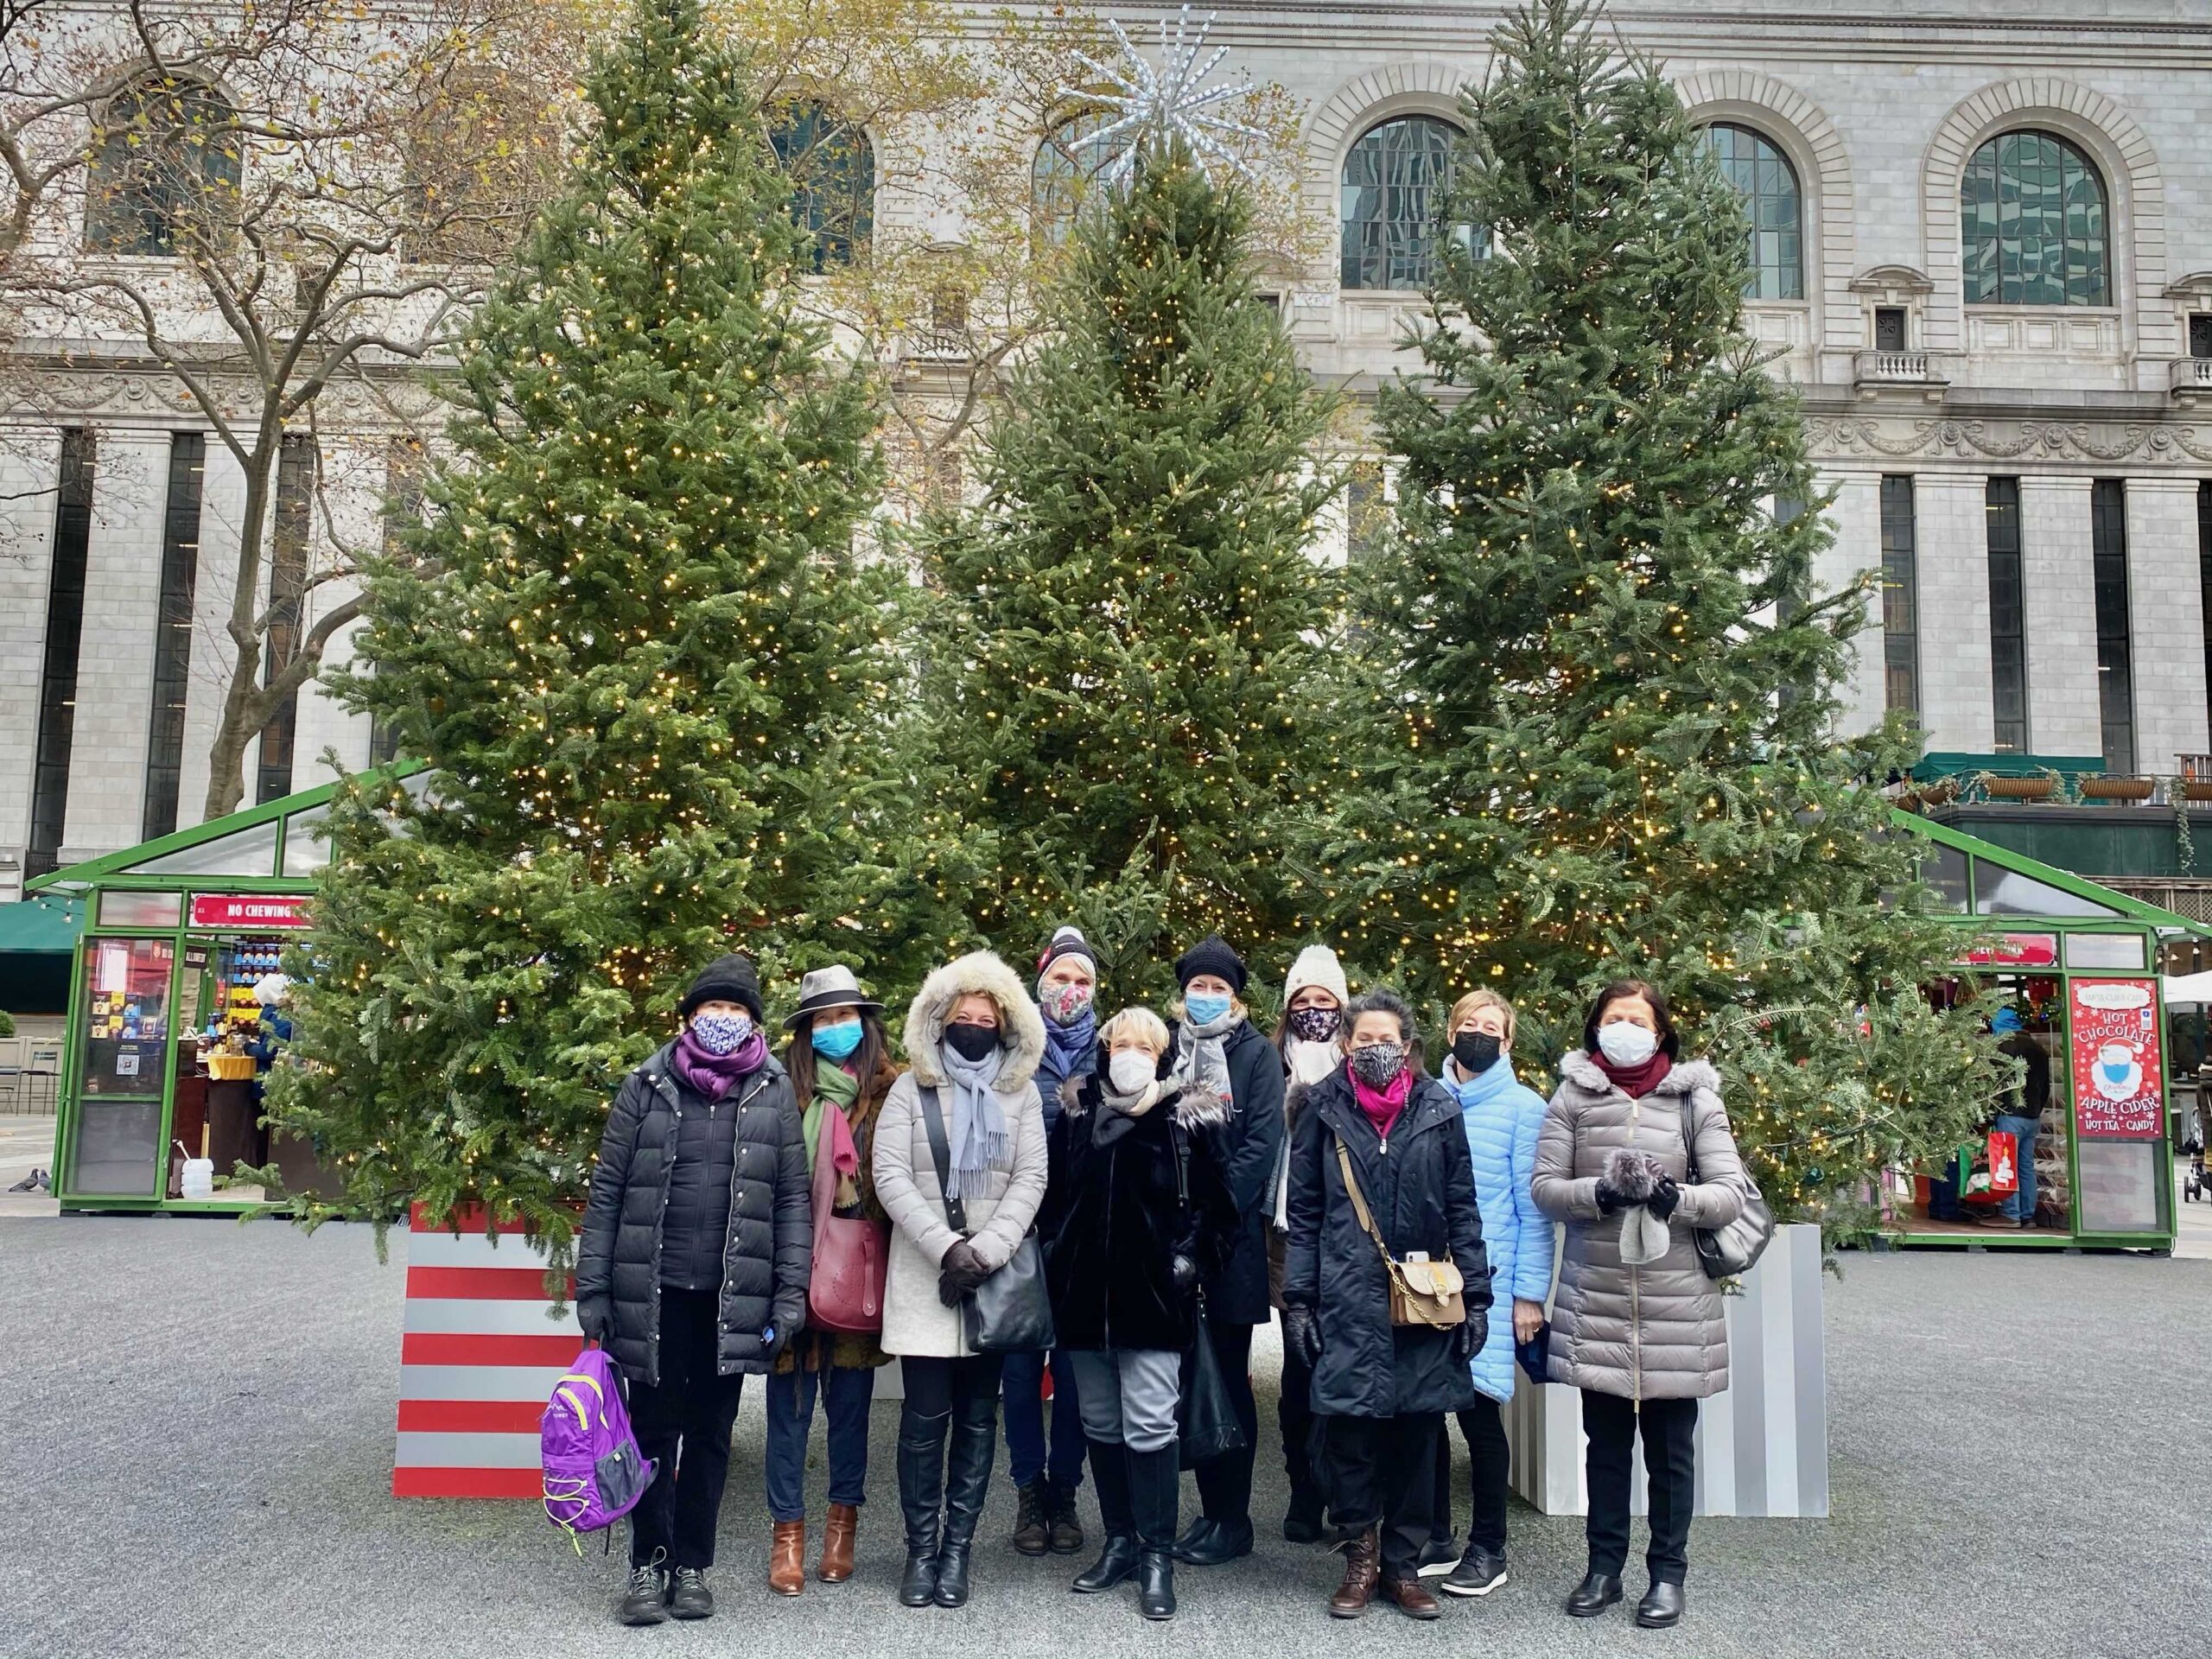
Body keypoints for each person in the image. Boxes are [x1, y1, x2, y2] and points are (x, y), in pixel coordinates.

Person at [576, 953, 810, 1626]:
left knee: (710, 1434)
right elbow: (608, 1191)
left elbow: (791, 1200)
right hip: (652, 1296)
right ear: (689, 1016)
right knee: (652, 1432)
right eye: (713, 1007)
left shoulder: (772, 1092)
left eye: (736, 1009)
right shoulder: (645, 1085)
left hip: (731, 1300)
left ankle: (692, 1566)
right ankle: (648, 1563)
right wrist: (593, 1288)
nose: (723, 1018)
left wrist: (788, 1295)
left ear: (753, 1021)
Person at [1532, 979, 1748, 1631]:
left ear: (1660, 1032)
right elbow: (1544, 1188)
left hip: (1676, 1303)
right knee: (1604, 1448)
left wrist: (1672, 1198)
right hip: (1596, 1299)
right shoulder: (1572, 1097)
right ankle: (1603, 1569)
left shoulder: (1694, 1099)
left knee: (1670, 1454)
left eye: (1638, 1019)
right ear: (1595, 1027)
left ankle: (1667, 1575)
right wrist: (1598, 1193)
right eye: (1613, 1017)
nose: (1624, 1028)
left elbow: (1730, 1193)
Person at [1283, 988, 1491, 1621]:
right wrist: (1299, 1302)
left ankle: (1402, 1566)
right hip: (1346, 1298)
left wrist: (1477, 1297)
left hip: (1423, 1300)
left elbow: (1462, 1207)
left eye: (1388, 1040)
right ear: (1347, 1044)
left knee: (1416, 1436)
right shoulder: (1320, 1109)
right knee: (1349, 1435)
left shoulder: (1438, 1109)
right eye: (1365, 1039)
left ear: (1407, 1046)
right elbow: (1305, 1215)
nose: (1377, 1048)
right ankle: (1361, 1558)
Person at [1042, 1007, 1239, 1620]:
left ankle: (1156, 1555)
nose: (1130, 1054)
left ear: (1162, 1056)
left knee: (1151, 1425)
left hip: (1154, 1302)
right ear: (1104, 1050)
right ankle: (1120, 1542)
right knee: (1101, 1422)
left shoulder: (1186, 1117)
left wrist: (1187, 1264)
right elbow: (1052, 1199)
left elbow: (1222, 1212)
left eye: (1144, 1046)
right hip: (1083, 1302)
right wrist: (1057, 1258)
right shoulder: (1078, 1114)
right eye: (1120, 1043)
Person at [873, 950, 1050, 1610]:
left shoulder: (1022, 1092)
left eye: (986, 1017)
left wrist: (985, 1253)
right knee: (923, 1422)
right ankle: (921, 1550)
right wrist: (948, 1249)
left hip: (992, 1282)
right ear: (939, 1020)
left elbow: (1032, 1176)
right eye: (962, 1016)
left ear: (1006, 1025)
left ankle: (957, 1552)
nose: (973, 1026)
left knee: (978, 1419)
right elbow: (890, 1174)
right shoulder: (908, 1090)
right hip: (926, 1274)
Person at [763, 967, 901, 1594]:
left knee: (849, 1415)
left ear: (865, 1025)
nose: (835, 1027)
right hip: (794, 1267)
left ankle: (842, 1528)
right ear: (806, 1032)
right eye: (823, 1019)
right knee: (787, 1413)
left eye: (845, 1017)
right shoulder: (780, 1093)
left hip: (859, 1273)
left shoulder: (892, 1092)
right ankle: (787, 1536)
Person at [1422, 988, 1554, 1597]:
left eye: (1491, 1028)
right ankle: (1432, 1534)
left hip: (1489, 1284)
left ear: (1508, 1042)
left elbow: (1534, 1212)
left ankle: (1489, 1547)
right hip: (1425, 1282)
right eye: (1468, 1023)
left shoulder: (1526, 1109)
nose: (1478, 1034)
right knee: (1423, 1411)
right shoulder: (1426, 1097)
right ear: (1451, 1033)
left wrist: (1529, 1295)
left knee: (1479, 1413)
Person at [1165, 934, 1285, 1567]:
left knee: (1228, 1381)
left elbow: (1261, 1142)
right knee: (1180, 1379)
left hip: (1228, 1243)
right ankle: (1201, 1509)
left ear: (1235, 996)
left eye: (1218, 988)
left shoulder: (1256, 1054)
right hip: (1168, 1242)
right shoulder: (1166, 1046)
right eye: (1198, 986)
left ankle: (1230, 1518)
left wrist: (1211, 1213)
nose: (1207, 996)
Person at [1004, 925, 1096, 1557]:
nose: (1071, 988)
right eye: (1061, 977)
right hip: (1020, 1232)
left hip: (1082, 1237)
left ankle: (1064, 1488)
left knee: (1072, 1371)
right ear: (1041, 983)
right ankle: (1028, 1489)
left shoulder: (1110, 1051)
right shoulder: (1013, 1049)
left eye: (1082, 980)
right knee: (1019, 1369)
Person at [1268, 943, 1350, 1542]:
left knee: (1341, 1363)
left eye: (1325, 999)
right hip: (1284, 1235)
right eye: (1304, 998)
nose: (1314, 1009)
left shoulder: (1360, 1062)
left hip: (1346, 1237)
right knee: (1298, 1365)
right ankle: (1303, 1489)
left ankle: (1343, 1490)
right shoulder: (1269, 1062)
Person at [1984, 1006, 2050, 1230]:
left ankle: (2010, 1214)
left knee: (2005, 1163)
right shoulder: (2039, 1049)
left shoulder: (2003, 1047)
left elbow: (1994, 1083)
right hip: (2032, 1116)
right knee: (2025, 1167)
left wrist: (1990, 1112)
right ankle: (2027, 1215)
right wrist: (2036, 1109)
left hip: (2009, 1114)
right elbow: (2046, 1086)